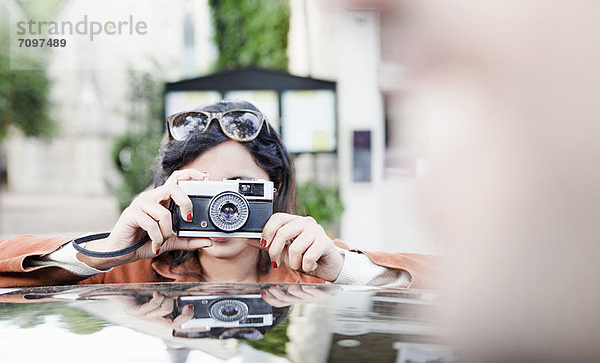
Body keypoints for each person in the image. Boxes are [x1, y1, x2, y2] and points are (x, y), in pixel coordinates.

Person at [0, 100, 440, 289]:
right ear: (166, 192)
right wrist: (109, 250)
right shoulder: (131, 270)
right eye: (202, 189)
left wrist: (345, 270)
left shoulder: (310, 265)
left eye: (240, 190)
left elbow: (468, 291)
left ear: (275, 189)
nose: (225, 207)